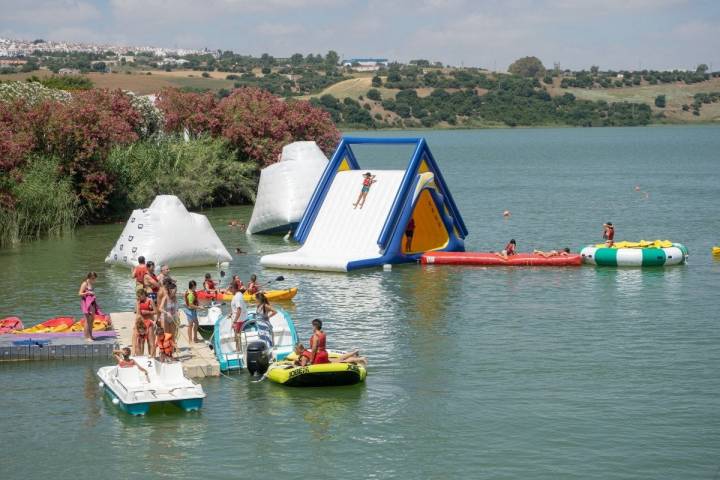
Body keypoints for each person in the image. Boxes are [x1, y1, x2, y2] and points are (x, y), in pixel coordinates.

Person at [78, 272, 103, 342]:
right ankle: (86, 337)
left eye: (95, 278)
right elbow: (79, 293)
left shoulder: (91, 284)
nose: (94, 280)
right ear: (89, 277)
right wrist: (88, 293)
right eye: (93, 278)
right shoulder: (84, 283)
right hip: (86, 303)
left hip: (92, 302)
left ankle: (90, 335)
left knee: (92, 319)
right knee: (87, 320)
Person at [136, 290, 156, 356]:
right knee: (141, 341)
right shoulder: (138, 302)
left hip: (149, 321)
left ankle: (152, 356)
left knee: (150, 341)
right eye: (138, 296)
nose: (138, 298)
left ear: (143, 294)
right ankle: (141, 356)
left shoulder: (150, 300)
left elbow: (155, 311)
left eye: (139, 296)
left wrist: (148, 312)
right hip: (142, 322)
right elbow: (138, 313)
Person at [229, 283, 248, 353]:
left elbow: (239, 309)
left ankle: (238, 350)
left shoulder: (237, 297)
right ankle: (238, 349)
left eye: (230, 289)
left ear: (234, 288)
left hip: (239, 321)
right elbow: (237, 308)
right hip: (240, 319)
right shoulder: (239, 294)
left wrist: (234, 321)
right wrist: (231, 313)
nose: (230, 290)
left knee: (237, 336)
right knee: (237, 336)